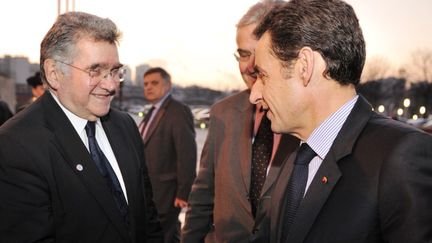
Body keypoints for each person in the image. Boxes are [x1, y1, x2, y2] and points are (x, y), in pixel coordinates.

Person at [249, 0, 432, 242]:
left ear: (305, 65)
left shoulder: (400, 156)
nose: (254, 94)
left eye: (262, 75)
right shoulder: (296, 158)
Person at [0, 12, 162, 242]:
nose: (110, 85)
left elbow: (148, 220)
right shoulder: (16, 145)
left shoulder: (124, 126)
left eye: (115, 71)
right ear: (54, 74)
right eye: (95, 70)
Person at [181, 2, 298, 242]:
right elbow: (202, 196)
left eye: (261, 53)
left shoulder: (308, 119)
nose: (250, 66)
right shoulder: (223, 113)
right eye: (244, 54)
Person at [140, 67, 197, 243]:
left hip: (167, 194)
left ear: (168, 85)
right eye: (146, 84)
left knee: (161, 235)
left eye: (154, 83)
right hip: (150, 192)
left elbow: (187, 154)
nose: (148, 87)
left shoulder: (178, 111)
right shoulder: (151, 112)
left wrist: (183, 192)